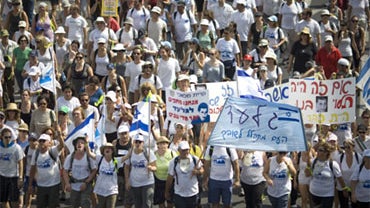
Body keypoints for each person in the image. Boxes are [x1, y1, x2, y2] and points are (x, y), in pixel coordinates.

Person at [28, 132, 64, 208]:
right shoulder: (36, 152)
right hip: (41, 185)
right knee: (41, 205)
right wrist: (30, 184)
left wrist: (60, 134)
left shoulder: (52, 151)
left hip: (53, 184)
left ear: (49, 143)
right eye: (40, 141)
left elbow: (61, 145)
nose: (41, 143)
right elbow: (32, 169)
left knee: (53, 205)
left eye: (44, 141)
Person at [307, 142, 348, 207]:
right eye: (318, 150)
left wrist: (344, 189)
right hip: (314, 193)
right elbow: (307, 174)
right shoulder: (314, 161)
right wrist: (308, 165)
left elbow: (340, 178)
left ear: (326, 153)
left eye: (320, 150)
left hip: (327, 195)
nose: (317, 152)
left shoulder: (333, 164)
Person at [165, 141, 203, 208]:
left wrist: (197, 172)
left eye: (187, 150)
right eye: (183, 150)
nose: (185, 152)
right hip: (179, 194)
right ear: (179, 150)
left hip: (193, 193)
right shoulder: (173, 162)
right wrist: (167, 191)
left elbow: (202, 170)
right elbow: (170, 178)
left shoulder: (195, 159)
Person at [63, 136, 97, 208]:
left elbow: (94, 170)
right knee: (74, 204)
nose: (80, 144)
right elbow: (65, 171)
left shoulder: (88, 156)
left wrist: (86, 182)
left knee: (85, 203)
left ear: (85, 145)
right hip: (74, 185)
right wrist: (67, 184)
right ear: (75, 145)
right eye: (78, 143)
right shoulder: (70, 157)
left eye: (82, 143)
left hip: (86, 185)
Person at [124, 135, 157, 208]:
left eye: (140, 142)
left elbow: (155, 168)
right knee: (137, 204)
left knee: (147, 204)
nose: (138, 144)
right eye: (136, 142)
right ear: (133, 143)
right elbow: (126, 167)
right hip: (135, 183)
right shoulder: (130, 152)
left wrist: (151, 168)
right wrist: (127, 181)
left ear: (143, 143)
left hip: (147, 182)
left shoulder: (148, 152)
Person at [0, 127, 24, 208]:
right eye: (6, 137)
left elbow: (20, 162)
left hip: (14, 176)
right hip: (2, 176)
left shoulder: (16, 147)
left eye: (10, 137)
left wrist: (20, 177)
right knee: (3, 200)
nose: (8, 139)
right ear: (1, 137)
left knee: (14, 201)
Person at [112, 124, 134, 206]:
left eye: (125, 133)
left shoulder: (132, 142)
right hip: (117, 171)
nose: (124, 136)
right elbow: (112, 157)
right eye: (122, 134)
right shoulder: (115, 143)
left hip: (129, 171)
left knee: (128, 192)